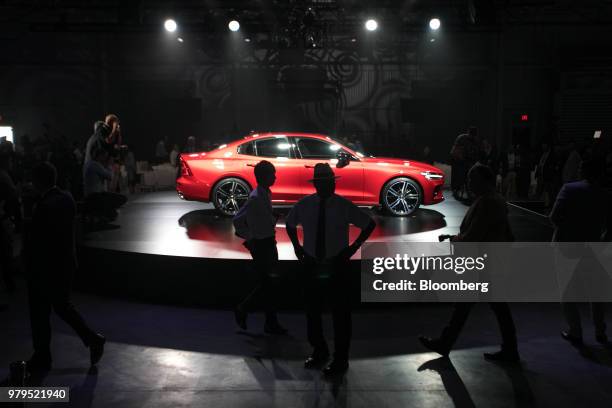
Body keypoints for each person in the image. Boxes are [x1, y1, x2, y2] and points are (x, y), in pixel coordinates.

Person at [419, 164, 520, 363]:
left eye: (473, 179)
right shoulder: (496, 200)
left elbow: (474, 235)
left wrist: (455, 240)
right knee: (485, 307)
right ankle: (508, 348)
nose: (470, 183)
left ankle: (447, 343)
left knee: (475, 306)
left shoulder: (486, 203)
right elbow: (507, 235)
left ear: (484, 180)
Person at [286, 163, 375, 375]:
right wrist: (298, 248)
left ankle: (340, 359)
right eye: (327, 183)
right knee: (313, 312)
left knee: (340, 315)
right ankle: (320, 351)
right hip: (314, 263)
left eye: (331, 182)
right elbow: (290, 224)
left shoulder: (342, 205)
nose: (330, 186)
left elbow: (368, 224)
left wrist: (353, 248)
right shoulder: (306, 205)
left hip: (336, 264)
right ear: (319, 185)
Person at [24, 162, 106, 371]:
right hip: (65, 264)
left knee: (40, 313)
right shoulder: (66, 198)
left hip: (45, 268)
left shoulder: (43, 206)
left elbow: (38, 241)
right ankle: (92, 339)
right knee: (62, 307)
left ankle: (43, 357)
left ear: (37, 181)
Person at [550, 157, 608, 346]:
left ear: (582, 170)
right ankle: (600, 331)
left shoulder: (569, 189)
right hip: (594, 247)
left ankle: (576, 331)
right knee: (596, 292)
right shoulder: (606, 194)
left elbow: (555, 217)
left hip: (567, 246)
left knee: (567, 292)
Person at [233, 161, 287, 335]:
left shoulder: (264, 194)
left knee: (269, 284)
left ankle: (268, 321)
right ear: (264, 176)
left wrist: (270, 218)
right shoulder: (256, 197)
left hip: (267, 243)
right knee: (269, 284)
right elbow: (237, 220)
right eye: (272, 174)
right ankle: (244, 309)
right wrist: (251, 238)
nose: (275, 177)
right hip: (263, 245)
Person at [83, 148, 127, 223]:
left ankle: (102, 212)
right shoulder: (95, 165)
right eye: (104, 156)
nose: (105, 159)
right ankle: (101, 213)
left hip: (90, 195)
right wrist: (110, 165)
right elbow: (109, 176)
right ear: (100, 156)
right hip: (95, 196)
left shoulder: (89, 164)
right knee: (122, 199)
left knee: (114, 207)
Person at [0, 143, 19, 294]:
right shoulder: (3, 175)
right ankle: (10, 284)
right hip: (3, 218)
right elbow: (13, 193)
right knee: (6, 251)